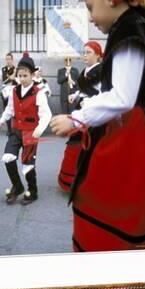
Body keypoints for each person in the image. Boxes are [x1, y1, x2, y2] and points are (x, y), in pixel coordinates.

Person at [50, 0, 145, 253]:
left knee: (110, 206)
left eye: (91, 6)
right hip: (140, 128)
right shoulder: (134, 28)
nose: (91, 17)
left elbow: (122, 97)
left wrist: (77, 118)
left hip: (131, 134)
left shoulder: (128, 30)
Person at [0, 55, 52, 205]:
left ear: (32, 75)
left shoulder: (38, 92)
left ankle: (33, 191)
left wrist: (39, 129)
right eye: (20, 75)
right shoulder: (14, 90)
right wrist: (2, 120)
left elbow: (46, 114)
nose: (22, 78)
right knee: (8, 157)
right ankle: (18, 186)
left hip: (30, 133)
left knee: (28, 164)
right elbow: (9, 109)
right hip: (16, 131)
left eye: (25, 75)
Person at [58, 41, 103, 193]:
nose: (85, 55)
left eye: (88, 52)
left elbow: (104, 94)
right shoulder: (85, 70)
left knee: (89, 145)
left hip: (91, 113)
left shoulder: (102, 71)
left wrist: (87, 102)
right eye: (84, 52)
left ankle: (87, 181)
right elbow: (82, 88)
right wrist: (75, 95)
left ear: (98, 55)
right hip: (80, 110)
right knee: (75, 142)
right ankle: (70, 179)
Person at [0, 53, 18, 135]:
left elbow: (20, 81)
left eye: (9, 59)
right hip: (5, 91)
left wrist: (14, 78)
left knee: (15, 109)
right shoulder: (3, 69)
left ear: (12, 60)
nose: (8, 61)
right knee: (6, 109)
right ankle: (9, 129)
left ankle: (15, 128)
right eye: (7, 59)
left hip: (14, 91)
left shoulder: (16, 69)